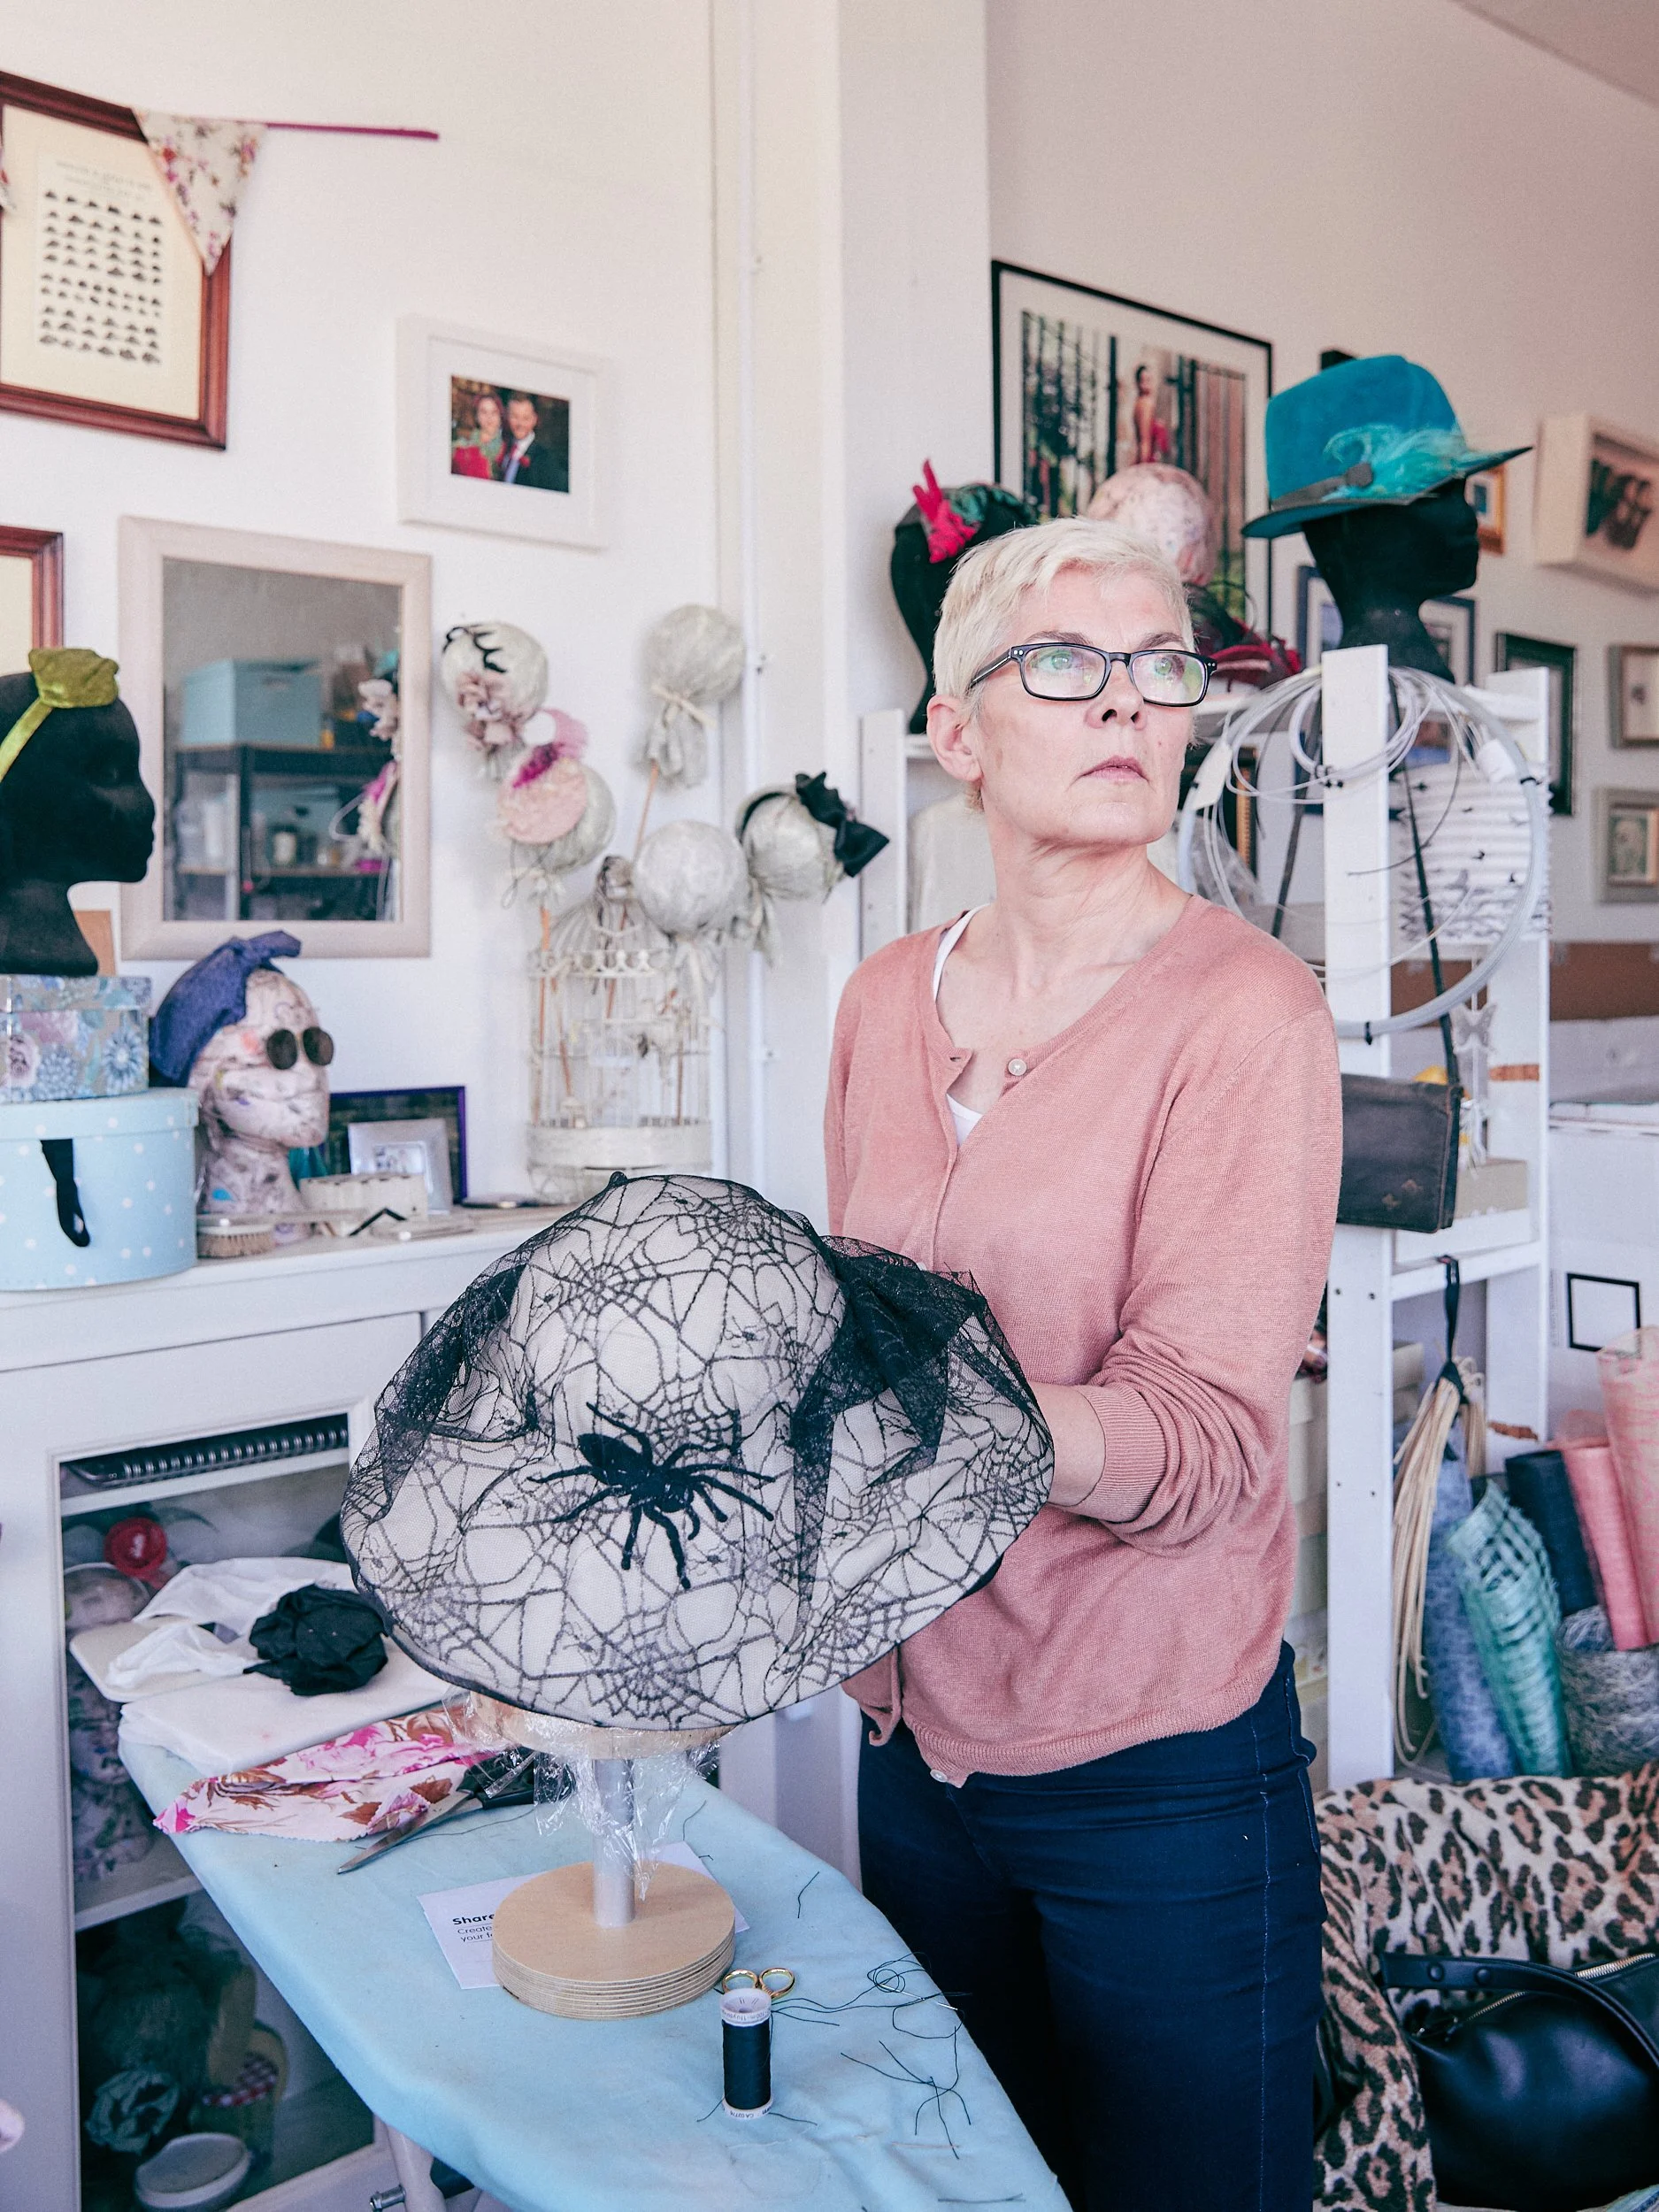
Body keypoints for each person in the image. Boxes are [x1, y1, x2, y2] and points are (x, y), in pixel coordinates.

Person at [825, 516, 1342, 2211]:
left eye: (1161, 667)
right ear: (958, 733)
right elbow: (856, 1325)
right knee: (970, 2189)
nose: (1126, 700)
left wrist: (941, 1420)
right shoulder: (879, 1000)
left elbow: (1208, 1442)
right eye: (1063, 662)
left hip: (1156, 1765)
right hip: (912, 1738)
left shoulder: (1247, 1012)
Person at [495, 391, 565, 490]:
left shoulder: (545, 458)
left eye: (526, 418)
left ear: (534, 419)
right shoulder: (504, 446)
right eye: (515, 417)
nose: (520, 424)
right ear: (507, 416)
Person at [450, 388, 504, 480]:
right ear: (476, 416)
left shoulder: (508, 448)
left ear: (500, 415)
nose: (489, 417)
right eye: (484, 412)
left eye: (494, 412)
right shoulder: (461, 446)